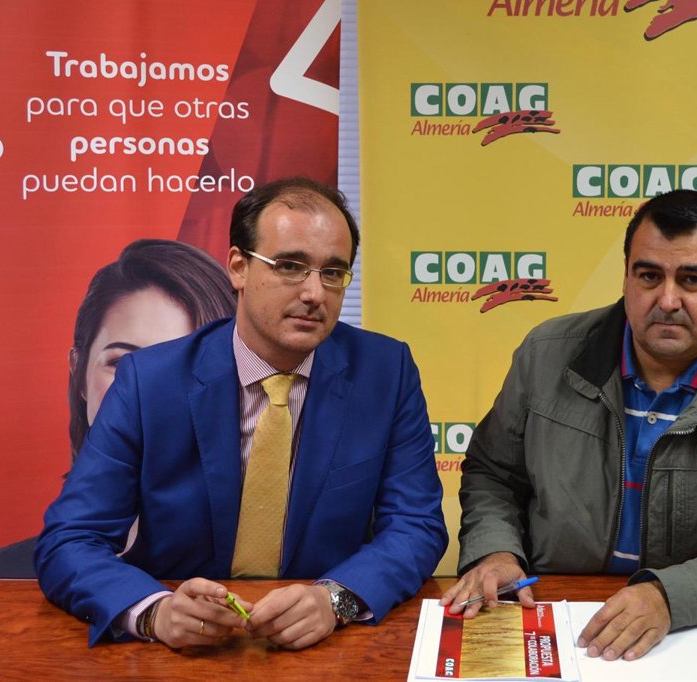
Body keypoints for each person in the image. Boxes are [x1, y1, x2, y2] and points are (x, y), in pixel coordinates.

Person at [36, 177, 448, 650]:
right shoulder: (150, 381)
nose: (315, 292)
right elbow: (71, 539)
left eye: (333, 272)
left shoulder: (385, 373)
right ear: (238, 267)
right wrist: (155, 612)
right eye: (290, 266)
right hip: (184, 652)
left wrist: (336, 600)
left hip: (323, 647)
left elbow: (416, 525)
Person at [441, 189, 697, 662]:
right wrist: (497, 553)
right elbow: (493, 474)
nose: (667, 300)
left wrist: (669, 596)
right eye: (649, 276)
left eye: (692, 280)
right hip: (553, 612)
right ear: (626, 276)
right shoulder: (545, 355)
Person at [0, 239, 237, 577]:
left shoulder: (260, 572)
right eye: (121, 363)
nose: (144, 389)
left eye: (180, 365)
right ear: (78, 371)